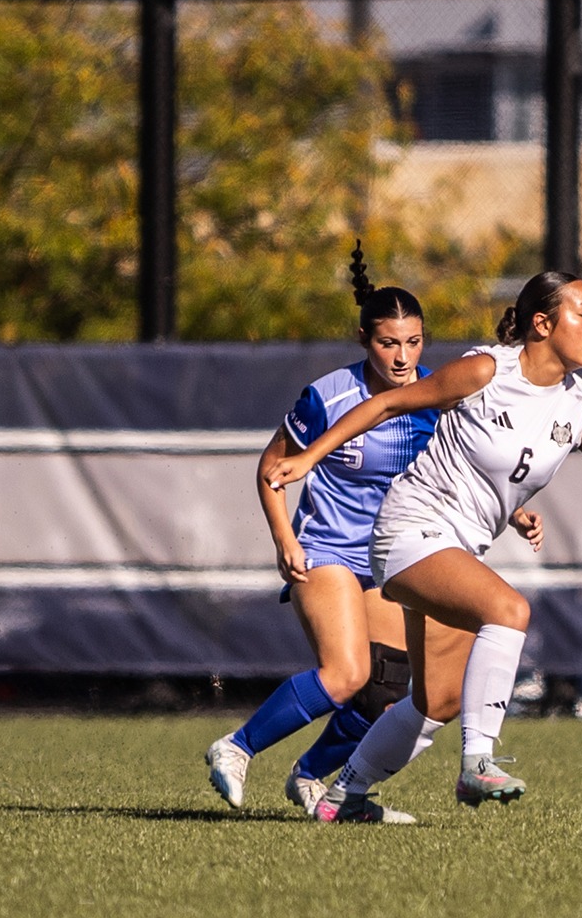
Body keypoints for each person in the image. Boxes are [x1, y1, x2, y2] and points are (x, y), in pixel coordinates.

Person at [266, 272, 582, 815]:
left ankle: (343, 796)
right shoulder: (487, 371)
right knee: (508, 609)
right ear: (542, 324)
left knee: (437, 702)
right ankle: (478, 763)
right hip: (408, 528)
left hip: (457, 549)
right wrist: (308, 457)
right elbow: (386, 406)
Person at [205, 247, 545, 823]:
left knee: (389, 689)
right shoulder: (330, 395)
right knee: (347, 675)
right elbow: (272, 468)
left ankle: (311, 777)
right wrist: (285, 540)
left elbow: (466, 467)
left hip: (393, 554)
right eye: (389, 343)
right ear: (365, 339)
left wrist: (516, 514)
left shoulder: (433, 396)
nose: (403, 356)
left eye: (414, 342)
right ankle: (236, 748)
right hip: (327, 549)